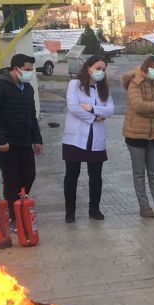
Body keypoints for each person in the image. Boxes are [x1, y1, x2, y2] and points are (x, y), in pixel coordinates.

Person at [0, 53, 43, 231]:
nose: (29, 73)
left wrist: (37, 138)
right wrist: (0, 139)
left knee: (29, 175)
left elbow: (31, 115)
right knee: (12, 178)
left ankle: (20, 206)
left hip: (24, 140)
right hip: (4, 144)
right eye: (26, 69)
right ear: (15, 68)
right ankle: (14, 217)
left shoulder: (27, 88)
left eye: (31, 70)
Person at [62, 56, 114, 223]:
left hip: (96, 138)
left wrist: (92, 108)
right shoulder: (75, 84)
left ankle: (94, 209)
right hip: (75, 138)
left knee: (96, 176)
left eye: (103, 69)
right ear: (88, 68)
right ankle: (70, 212)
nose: (101, 72)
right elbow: (73, 108)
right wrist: (94, 117)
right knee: (72, 175)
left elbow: (110, 110)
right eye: (98, 68)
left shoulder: (103, 88)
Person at [122, 55, 154, 218]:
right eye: (153, 66)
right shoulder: (135, 82)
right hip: (135, 135)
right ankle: (144, 206)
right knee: (139, 173)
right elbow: (138, 106)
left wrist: (149, 109)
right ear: (145, 67)